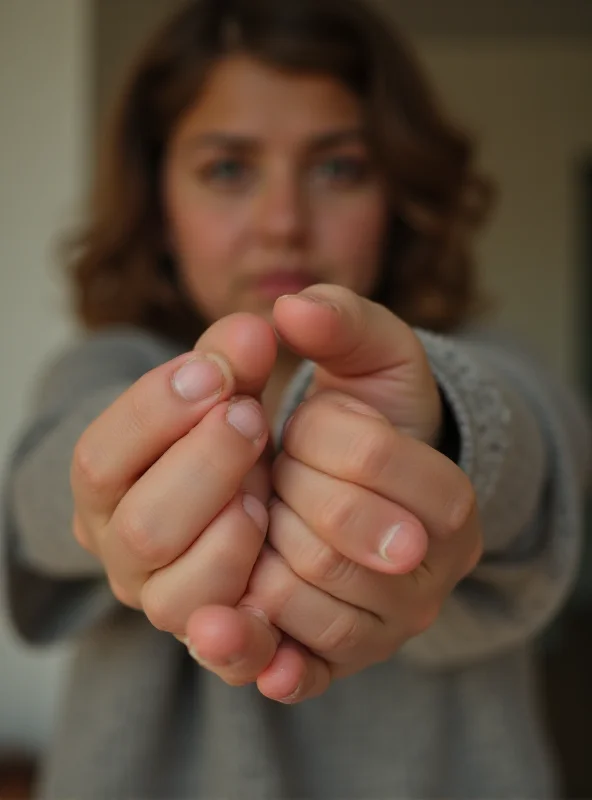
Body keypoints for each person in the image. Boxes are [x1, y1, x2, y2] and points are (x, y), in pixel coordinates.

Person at [2, 0, 589, 797]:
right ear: (159, 204)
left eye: (338, 167)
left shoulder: (486, 356)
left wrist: (442, 435)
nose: (284, 222)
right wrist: (109, 488)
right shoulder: (110, 362)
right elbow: (39, 480)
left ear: (398, 195)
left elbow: (538, 441)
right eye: (229, 169)